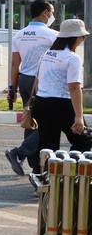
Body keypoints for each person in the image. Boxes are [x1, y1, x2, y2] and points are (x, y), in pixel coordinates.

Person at [6, 0, 58, 178]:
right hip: (43, 81)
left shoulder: (19, 35)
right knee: (48, 123)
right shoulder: (53, 35)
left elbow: (15, 64)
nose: (52, 15)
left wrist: (12, 88)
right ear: (45, 12)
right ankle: (22, 155)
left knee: (31, 120)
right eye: (52, 12)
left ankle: (34, 165)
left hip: (25, 81)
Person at [30, 19, 92, 164]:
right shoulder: (73, 58)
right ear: (76, 37)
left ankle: (42, 174)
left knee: (47, 146)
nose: (84, 39)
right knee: (84, 141)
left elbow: (38, 80)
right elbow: (74, 87)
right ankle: (72, 171)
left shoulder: (47, 54)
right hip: (62, 105)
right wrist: (79, 116)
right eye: (83, 36)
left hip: (41, 102)